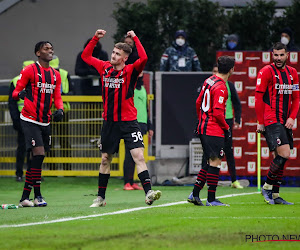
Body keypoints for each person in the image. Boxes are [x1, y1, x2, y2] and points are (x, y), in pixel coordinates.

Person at [81, 29, 161, 207]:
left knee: (138, 156)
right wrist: (95, 38)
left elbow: (145, 58)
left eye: (118, 54)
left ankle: (149, 193)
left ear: (125, 58)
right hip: (110, 123)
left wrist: (135, 38)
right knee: (105, 159)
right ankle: (100, 197)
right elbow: (86, 57)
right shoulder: (104, 67)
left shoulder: (131, 70)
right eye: (113, 52)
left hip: (129, 122)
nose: (114, 55)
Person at [12, 41, 64, 207]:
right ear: (38, 53)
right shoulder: (29, 70)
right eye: (46, 49)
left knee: (37, 158)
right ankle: (38, 195)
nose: (50, 51)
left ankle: (25, 197)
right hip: (29, 119)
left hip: (45, 120)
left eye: (51, 48)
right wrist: (20, 94)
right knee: (39, 154)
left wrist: (60, 110)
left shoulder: (55, 75)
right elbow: (14, 92)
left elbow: (58, 97)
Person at [187, 55, 235, 206]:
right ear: (231, 70)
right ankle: (211, 199)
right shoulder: (221, 87)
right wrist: (226, 127)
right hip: (213, 129)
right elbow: (218, 113)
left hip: (203, 127)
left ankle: (195, 194)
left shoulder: (209, 80)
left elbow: (197, 102)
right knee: (215, 162)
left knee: (210, 162)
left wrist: (201, 119)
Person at [256, 42, 299, 205]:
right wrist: (260, 122)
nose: (278, 58)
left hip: (285, 120)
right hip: (271, 119)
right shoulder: (266, 71)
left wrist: (292, 117)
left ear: (287, 55)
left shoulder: (292, 73)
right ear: (272, 55)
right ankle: (267, 187)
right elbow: (258, 98)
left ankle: (275, 194)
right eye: (276, 55)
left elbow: (296, 98)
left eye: (281, 55)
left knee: (279, 157)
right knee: (285, 154)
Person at [211, 64, 243, 189]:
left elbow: (237, 103)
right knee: (209, 151)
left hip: (227, 121)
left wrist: (238, 119)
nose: (215, 74)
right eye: (213, 71)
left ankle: (234, 180)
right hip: (213, 122)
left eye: (216, 71)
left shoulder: (229, 85)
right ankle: (204, 180)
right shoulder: (210, 85)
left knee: (228, 150)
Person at [123, 72, 154, 190]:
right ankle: (127, 182)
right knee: (129, 154)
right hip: (131, 123)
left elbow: (145, 109)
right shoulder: (129, 88)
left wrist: (149, 126)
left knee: (139, 154)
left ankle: (133, 181)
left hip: (142, 124)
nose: (140, 73)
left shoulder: (143, 89)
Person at [8, 60, 34, 182]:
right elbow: (12, 103)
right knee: (23, 147)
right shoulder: (16, 82)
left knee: (33, 148)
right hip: (22, 119)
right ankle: (19, 173)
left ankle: (31, 173)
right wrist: (16, 121)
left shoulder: (36, 81)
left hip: (33, 119)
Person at [49, 55, 72, 170]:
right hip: (54, 111)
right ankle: (57, 169)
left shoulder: (63, 73)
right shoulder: (63, 73)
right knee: (53, 140)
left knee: (60, 139)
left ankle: (63, 169)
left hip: (60, 110)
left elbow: (72, 91)